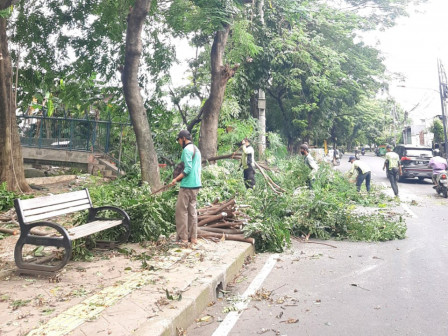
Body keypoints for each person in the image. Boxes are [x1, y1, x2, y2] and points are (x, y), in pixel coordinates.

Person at [170, 130, 202, 244]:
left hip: (187, 185)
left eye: (179, 140)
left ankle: (183, 238)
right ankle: (193, 238)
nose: (179, 142)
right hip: (196, 185)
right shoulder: (196, 149)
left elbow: (187, 169)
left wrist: (176, 179)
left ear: (183, 138)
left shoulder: (186, 150)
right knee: (192, 212)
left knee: (181, 211)